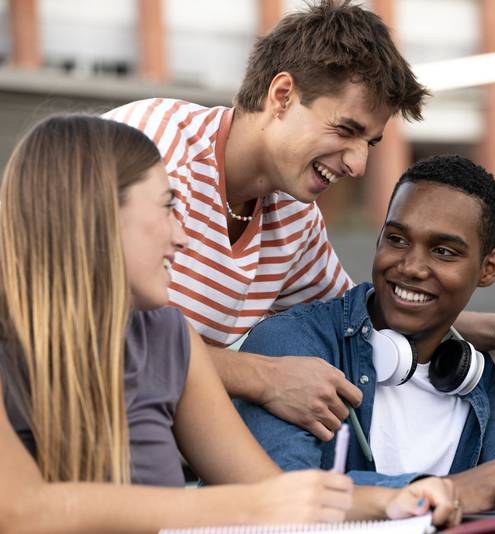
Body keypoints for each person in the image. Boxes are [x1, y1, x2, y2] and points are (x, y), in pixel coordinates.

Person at [104, 0, 495, 442]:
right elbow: (83, 326)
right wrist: (261, 377)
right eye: (345, 130)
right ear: (282, 95)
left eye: (372, 143)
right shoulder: (151, 149)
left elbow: (363, 315)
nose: (358, 164)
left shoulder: (294, 216)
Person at [0, 115, 460, 532]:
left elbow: (269, 490)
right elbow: (22, 510)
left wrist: (397, 499)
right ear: (97, 216)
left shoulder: (170, 338)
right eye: (166, 208)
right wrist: (254, 505)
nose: (181, 236)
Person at [237, 155, 495, 515]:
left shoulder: (477, 380)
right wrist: (445, 491)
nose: (410, 267)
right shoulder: (291, 346)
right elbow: (279, 494)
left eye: (442, 251)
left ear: (488, 268)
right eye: (397, 239)